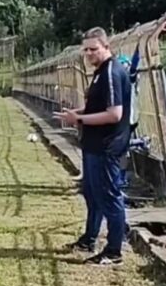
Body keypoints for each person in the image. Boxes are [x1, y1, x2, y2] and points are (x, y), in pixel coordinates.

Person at [54, 27, 132, 265]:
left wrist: (78, 119)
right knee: (92, 194)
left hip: (107, 147)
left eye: (93, 49)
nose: (89, 54)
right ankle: (89, 238)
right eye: (85, 50)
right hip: (94, 145)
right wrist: (77, 113)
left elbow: (114, 114)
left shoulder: (111, 72)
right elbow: (97, 109)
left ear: (106, 47)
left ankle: (114, 251)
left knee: (109, 197)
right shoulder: (100, 71)